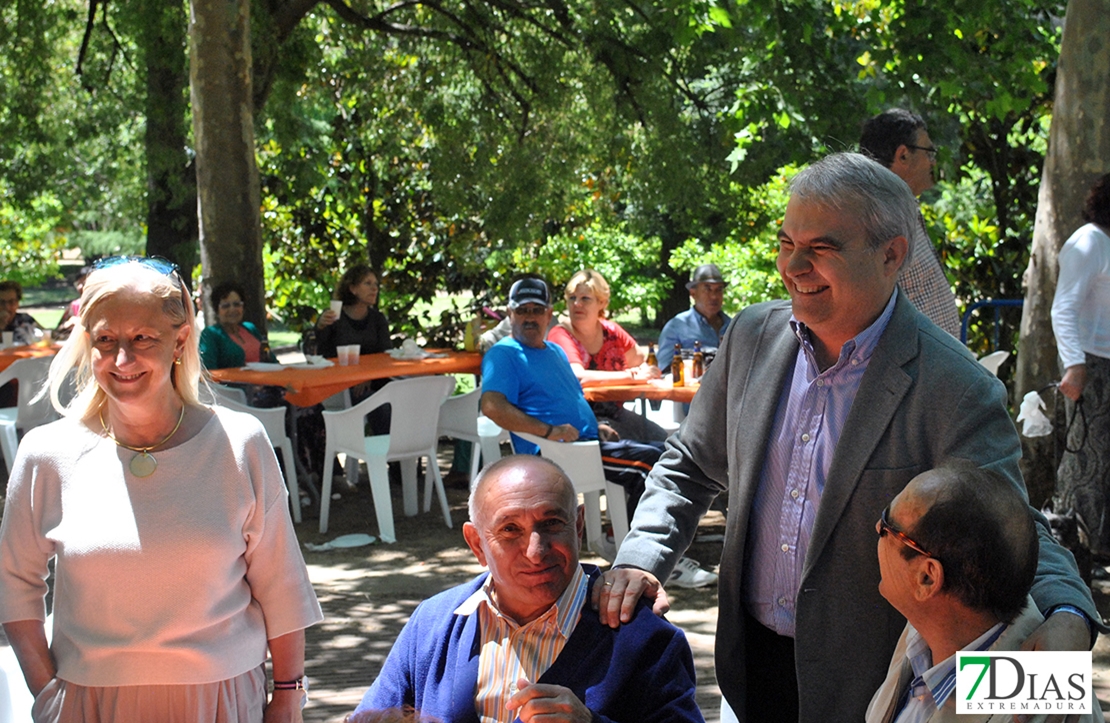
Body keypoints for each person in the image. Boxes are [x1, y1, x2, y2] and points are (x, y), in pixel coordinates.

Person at [594, 153, 1099, 723]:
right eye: (787, 243)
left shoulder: (957, 387)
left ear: (892, 255)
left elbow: (1010, 528)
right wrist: (640, 557)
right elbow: (690, 464)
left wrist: (1069, 617)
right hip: (747, 671)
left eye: (822, 248)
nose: (794, 266)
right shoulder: (751, 337)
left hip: (876, 689)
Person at [0, 256, 323, 722]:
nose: (122, 359)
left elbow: (282, 586)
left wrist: (290, 695)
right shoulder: (47, 453)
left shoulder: (239, 444)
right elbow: (15, 584)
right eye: (106, 340)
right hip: (90, 704)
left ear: (181, 339)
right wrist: (46, 694)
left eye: (142, 339)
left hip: (222, 701)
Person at [351, 455, 705, 723]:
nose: (536, 551)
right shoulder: (435, 623)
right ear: (476, 545)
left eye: (551, 523)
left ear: (578, 525)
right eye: (509, 530)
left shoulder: (643, 638)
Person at [480, 277, 716, 588]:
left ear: (549, 314)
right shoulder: (505, 353)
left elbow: (570, 398)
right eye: (522, 310)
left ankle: (634, 542)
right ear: (510, 314)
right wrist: (548, 431)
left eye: (537, 310)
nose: (529, 317)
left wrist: (596, 425)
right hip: (555, 455)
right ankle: (651, 558)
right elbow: (492, 406)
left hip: (589, 443)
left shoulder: (554, 351)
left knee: (664, 454)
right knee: (653, 465)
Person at [866, 464, 1104, 723]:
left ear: (927, 578)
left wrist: (1070, 612)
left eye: (889, 527)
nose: (878, 525)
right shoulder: (930, 632)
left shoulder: (1037, 701)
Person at [859, 109, 961, 337]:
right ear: (903, 155)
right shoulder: (875, 216)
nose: (932, 162)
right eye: (929, 152)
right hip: (912, 367)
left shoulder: (902, 208)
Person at [1051, 172, 1110, 558]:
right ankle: (1068, 567)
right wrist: (1074, 365)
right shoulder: (1090, 241)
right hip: (1091, 366)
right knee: (1083, 469)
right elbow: (1063, 307)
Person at [546, 269, 666, 442]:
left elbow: (640, 360)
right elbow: (578, 376)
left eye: (585, 299)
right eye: (572, 298)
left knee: (661, 439)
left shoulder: (611, 331)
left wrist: (642, 373)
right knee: (644, 447)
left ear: (601, 303)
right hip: (579, 418)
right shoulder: (561, 334)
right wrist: (629, 377)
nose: (577, 304)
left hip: (614, 412)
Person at [656, 264, 732, 371]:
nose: (714, 296)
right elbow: (664, 367)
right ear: (693, 293)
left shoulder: (732, 326)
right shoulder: (677, 326)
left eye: (719, 290)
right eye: (707, 289)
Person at [316, 264, 391, 359]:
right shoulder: (332, 315)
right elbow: (319, 352)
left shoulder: (378, 319)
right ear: (352, 288)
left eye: (376, 284)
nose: (374, 289)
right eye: (368, 283)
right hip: (339, 372)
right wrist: (320, 327)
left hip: (372, 372)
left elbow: (387, 354)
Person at [199, 280, 278, 369]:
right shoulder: (210, 334)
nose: (232, 309)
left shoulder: (250, 328)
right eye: (226, 306)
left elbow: (272, 361)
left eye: (237, 304)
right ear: (217, 310)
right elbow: (208, 372)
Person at [53, 265, 92, 340]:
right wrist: (66, 325)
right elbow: (55, 333)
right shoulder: (75, 305)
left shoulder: (102, 305)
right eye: (78, 284)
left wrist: (80, 323)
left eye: (84, 283)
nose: (80, 287)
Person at [0, 280, 43, 346]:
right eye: (2, 302)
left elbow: (48, 335)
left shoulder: (26, 320)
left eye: (11, 302)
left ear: (17, 303)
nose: (7, 307)